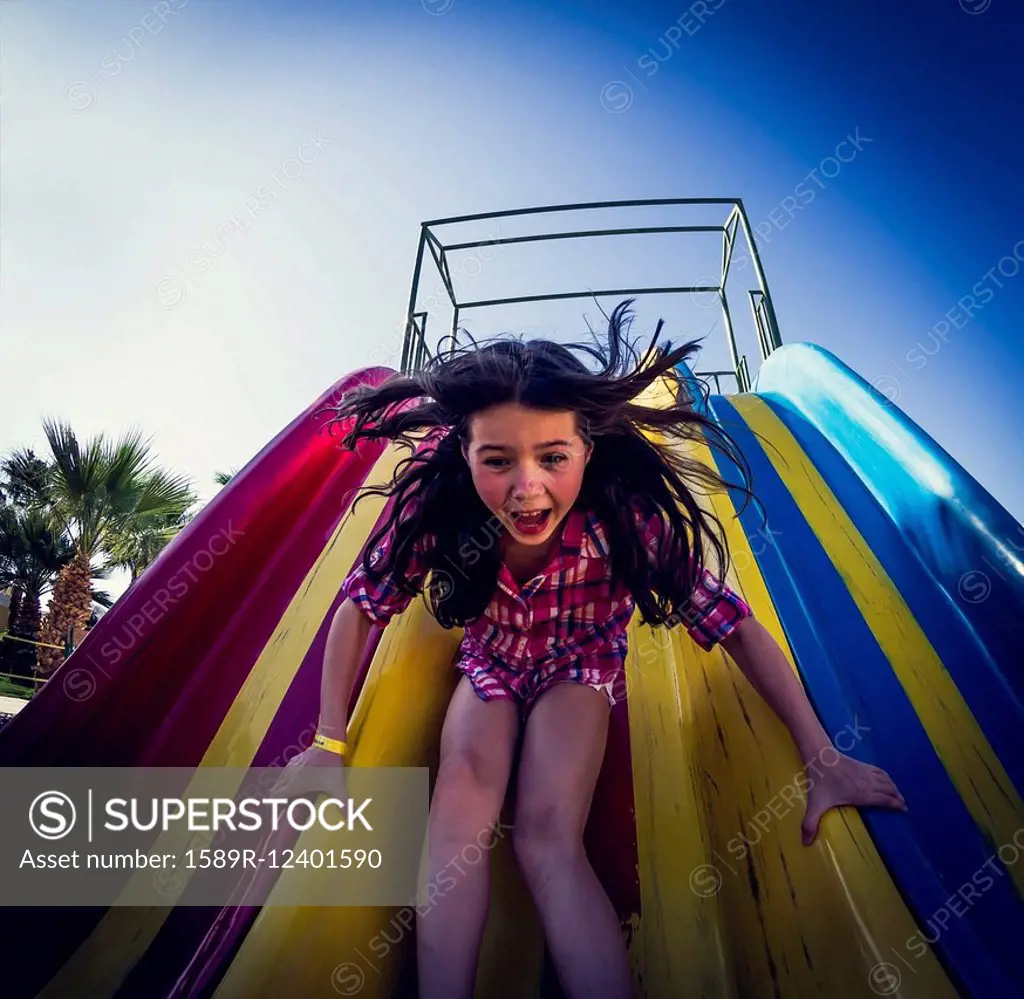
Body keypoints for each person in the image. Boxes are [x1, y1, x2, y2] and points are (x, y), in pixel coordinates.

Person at [276, 300, 908, 999]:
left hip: (580, 666)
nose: (527, 486)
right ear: (465, 453)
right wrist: (328, 741)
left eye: (552, 457)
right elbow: (360, 608)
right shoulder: (450, 511)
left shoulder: (624, 521)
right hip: (491, 662)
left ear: (586, 449)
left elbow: (737, 627)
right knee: (455, 811)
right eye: (498, 459)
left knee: (546, 836)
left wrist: (822, 754)